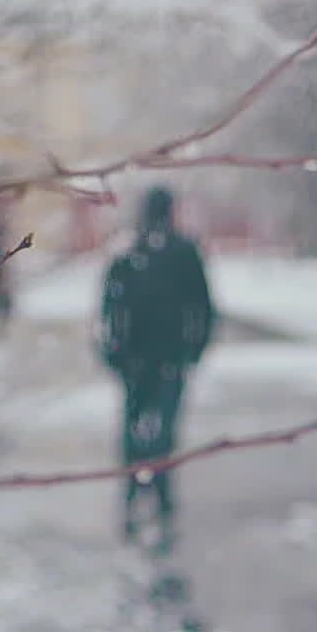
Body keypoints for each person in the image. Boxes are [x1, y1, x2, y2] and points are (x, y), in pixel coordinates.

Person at [99, 186, 214, 550]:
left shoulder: (135, 252)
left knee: (138, 431)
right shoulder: (170, 252)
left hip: (145, 359)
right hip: (162, 359)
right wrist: (192, 350)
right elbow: (205, 307)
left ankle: (140, 497)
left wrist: (113, 352)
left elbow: (108, 311)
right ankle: (154, 499)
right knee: (159, 430)